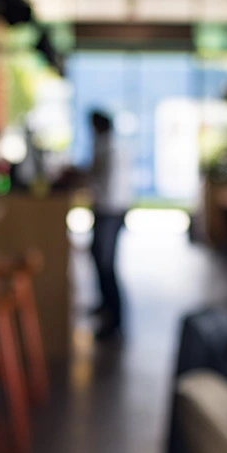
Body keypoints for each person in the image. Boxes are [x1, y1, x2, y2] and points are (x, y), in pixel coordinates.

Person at [87, 110, 132, 339]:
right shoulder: (112, 144)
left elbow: (101, 181)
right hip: (112, 210)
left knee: (106, 265)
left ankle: (114, 321)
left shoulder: (108, 147)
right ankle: (106, 308)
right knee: (99, 259)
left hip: (109, 211)